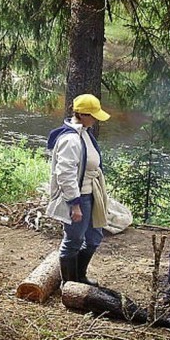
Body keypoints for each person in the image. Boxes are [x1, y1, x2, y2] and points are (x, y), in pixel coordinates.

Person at [46, 94, 111, 286]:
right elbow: (65, 174)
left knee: (94, 238)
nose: (96, 119)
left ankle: (79, 278)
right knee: (73, 240)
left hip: (90, 193)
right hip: (78, 197)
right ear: (81, 114)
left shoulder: (84, 133)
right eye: (93, 115)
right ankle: (70, 284)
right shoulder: (70, 140)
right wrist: (74, 204)